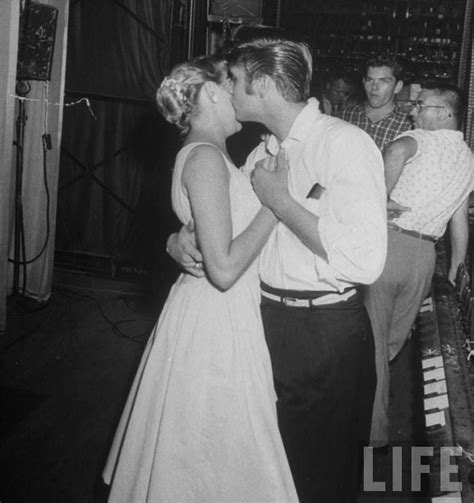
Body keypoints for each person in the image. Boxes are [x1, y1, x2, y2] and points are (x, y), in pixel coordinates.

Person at [168, 38, 387, 503]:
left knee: (325, 479)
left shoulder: (344, 144)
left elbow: (366, 260)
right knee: (271, 475)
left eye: (236, 80)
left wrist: (281, 201)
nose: (227, 87)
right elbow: (225, 231)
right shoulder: (259, 151)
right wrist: (176, 240)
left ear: (263, 85)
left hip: (325, 333)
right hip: (263, 322)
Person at [103, 55, 298, 502]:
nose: (239, 95)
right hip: (216, 317)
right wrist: (275, 204)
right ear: (212, 92)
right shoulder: (206, 157)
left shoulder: (208, 154)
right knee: (215, 452)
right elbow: (225, 269)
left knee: (209, 451)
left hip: (217, 313)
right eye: (232, 84)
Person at [365, 82, 474, 446]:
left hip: (389, 245)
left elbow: (396, 149)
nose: (413, 110)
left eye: (421, 105)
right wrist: (457, 267)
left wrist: (376, 197)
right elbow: (459, 221)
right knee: (391, 344)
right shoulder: (468, 157)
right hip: (423, 259)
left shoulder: (417, 139)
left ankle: (372, 432)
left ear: (444, 114)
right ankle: (375, 406)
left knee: (373, 341)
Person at [341, 54, 412, 150]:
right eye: (370, 80)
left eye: (383, 81)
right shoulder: (346, 116)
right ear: (363, 82)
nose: (374, 87)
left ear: (397, 87)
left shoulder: (407, 126)